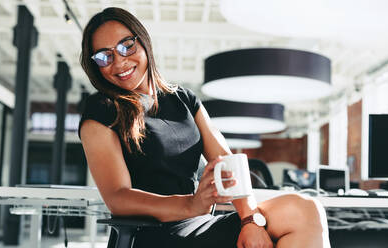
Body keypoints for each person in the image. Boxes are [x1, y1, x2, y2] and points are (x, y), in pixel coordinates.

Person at [78, 7, 330, 248]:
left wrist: (250, 220)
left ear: (143, 41)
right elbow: (118, 198)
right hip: (152, 233)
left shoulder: (182, 99)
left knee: (305, 210)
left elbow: (227, 162)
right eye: (104, 56)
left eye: (126, 46)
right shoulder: (101, 110)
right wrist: (190, 204)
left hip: (199, 223)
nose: (119, 61)